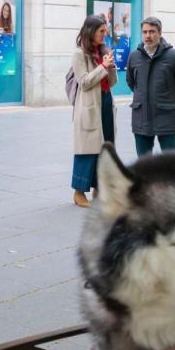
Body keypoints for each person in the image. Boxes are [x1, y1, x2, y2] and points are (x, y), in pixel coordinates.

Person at [125, 16, 175, 156]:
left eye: (152, 31)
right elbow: (132, 83)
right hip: (141, 117)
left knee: (169, 163)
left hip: (166, 117)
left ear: (160, 33)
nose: (148, 35)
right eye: (145, 32)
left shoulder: (174, 56)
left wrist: (166, 98)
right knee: (143, 164)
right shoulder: (134, 57)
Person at [71, 14, 117, 208]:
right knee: (87, 150)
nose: (104, 34)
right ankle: (79, 192)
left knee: (105, 146)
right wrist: (103, 67)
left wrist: (111, 68)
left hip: (105, 102)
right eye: (101, 31)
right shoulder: (79, 54)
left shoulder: (103, 51)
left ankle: (100, 189)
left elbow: (112, 82)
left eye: (105, 30)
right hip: (89, 105)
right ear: (91, 31)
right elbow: (84, 82)